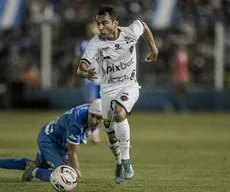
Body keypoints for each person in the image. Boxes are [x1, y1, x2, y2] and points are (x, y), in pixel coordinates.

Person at [76, 6, 158, 184]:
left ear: (115, 23)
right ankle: (118, 162)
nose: (101, 27)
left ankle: (127, 161)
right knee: (111, 135)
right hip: (108, 90)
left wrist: (153, 49)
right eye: (98, 24)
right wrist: (84, 72)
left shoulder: (130, 32)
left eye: (104, 23)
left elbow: (143, 26)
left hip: (129, 85)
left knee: (120, 113)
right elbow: (81, 65)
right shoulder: (96, 42)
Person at [0, 99, 103, 183]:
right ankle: (34, 172)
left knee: (37, 164)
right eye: (92, 116)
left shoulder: (99, 110)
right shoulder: (75, 121)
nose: (94, 120)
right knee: (65, 176)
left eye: (98, 118)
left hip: (60, 143)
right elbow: (72, 152)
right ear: (89, 111)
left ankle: (33, 168)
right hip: (49, 140)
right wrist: (77, 173)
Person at [75, 20, 102, 144]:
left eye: (95, 26)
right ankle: (93, 134)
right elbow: (78, 62)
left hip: (103, 79)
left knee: (102, 108)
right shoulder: (82, 44)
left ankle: (93, 132)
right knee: (92, 106)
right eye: (91, 26)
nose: (93, 28)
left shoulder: (106, 42)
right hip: (89, 80)